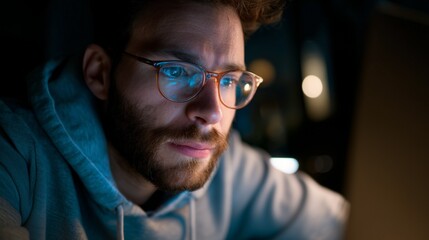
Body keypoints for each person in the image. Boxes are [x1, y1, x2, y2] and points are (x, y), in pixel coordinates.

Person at [0, 0, 349, 239]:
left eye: (229, 81)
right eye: (176, 71)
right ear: (100, 74)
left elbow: (347, 223)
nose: (212, 112)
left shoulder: (228, 169)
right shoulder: (14, 154)